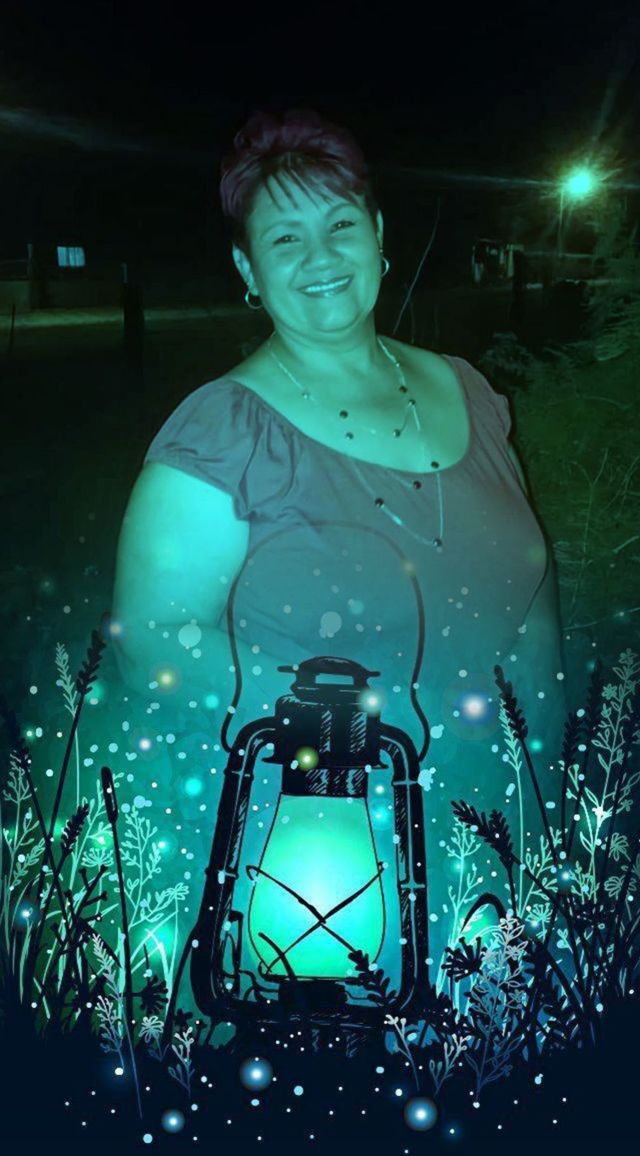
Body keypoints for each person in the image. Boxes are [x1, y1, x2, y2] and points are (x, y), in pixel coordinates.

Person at [111, 108, 569, 986]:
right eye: (284, 238)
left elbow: (533, 591)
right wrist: (369, 733)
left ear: (379, 234)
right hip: (322, 849)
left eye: (340, 224)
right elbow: (153, 645)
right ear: (248, 269)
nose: (320, 256)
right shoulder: (226, 432)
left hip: (498, 827)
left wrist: (541, 783)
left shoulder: (468, 392)